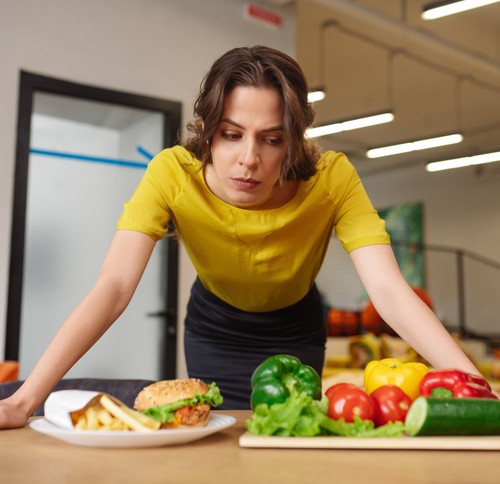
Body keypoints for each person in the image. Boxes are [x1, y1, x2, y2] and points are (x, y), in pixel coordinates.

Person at [0, 45, 484, 426]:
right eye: (232, 134)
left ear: (292, 141)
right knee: (217, 438)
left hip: (296, 327)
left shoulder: (332, 179)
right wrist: (26, 400)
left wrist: (482, 391)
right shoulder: (172, 174)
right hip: (215, 326)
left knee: (288, 441)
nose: (249, 158)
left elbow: (390, 293)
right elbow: (113, 288)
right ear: (208, 131)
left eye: (271, 139)